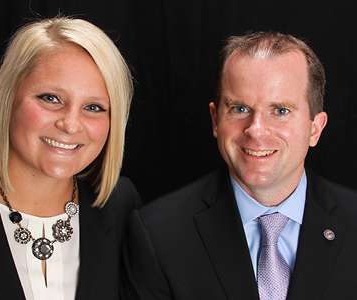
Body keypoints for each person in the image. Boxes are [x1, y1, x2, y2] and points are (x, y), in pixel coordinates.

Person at [124, 32, 357, 300]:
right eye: (239, 109)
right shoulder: (158, 234)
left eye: (280, 111)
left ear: (315, 129)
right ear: (215, 120)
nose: (256, 130)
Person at [0, 16, 140, 300]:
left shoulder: (122, 205)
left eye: (93, 107)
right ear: (8, 98)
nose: (71, 124)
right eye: (51, 98)